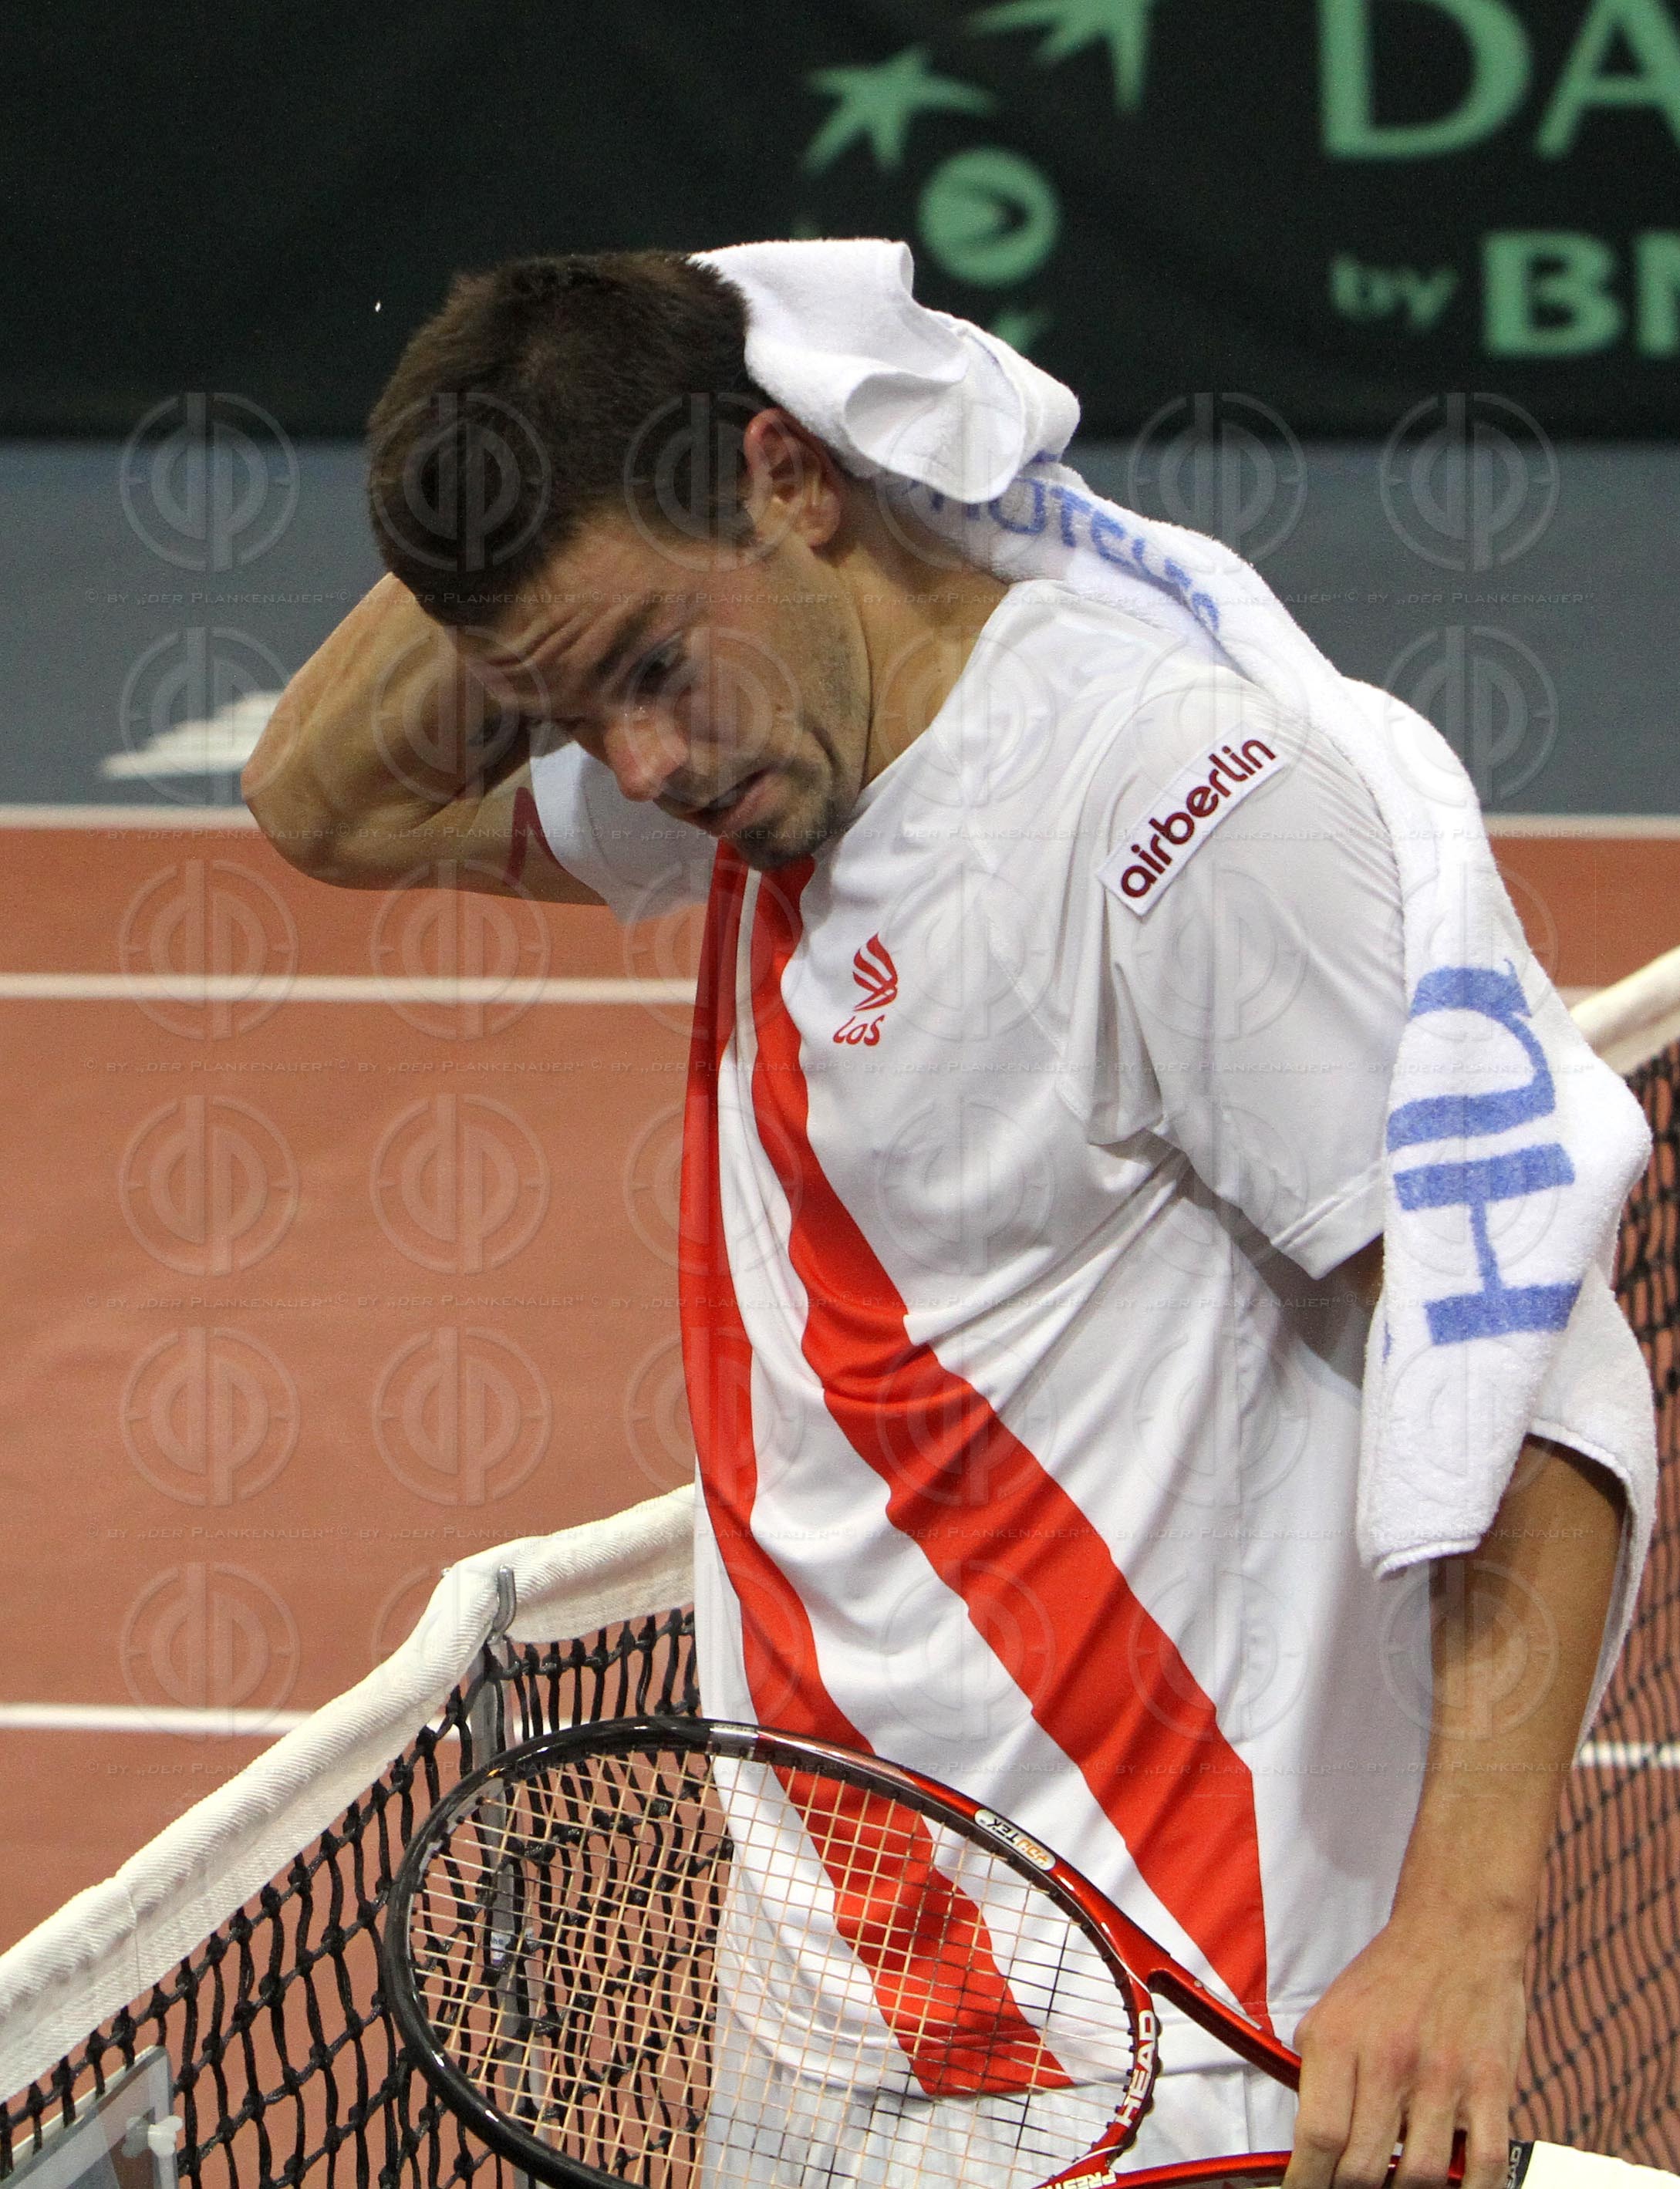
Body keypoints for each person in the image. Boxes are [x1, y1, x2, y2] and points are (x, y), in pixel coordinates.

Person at [244, 249, 1631, 2189]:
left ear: (798, 479)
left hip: (1163, 2053)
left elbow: (1537, 1341)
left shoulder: (1167, 808)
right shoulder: (753, 756)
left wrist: (1468, 1929)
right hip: (819, 2041)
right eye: (571, 712)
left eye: (648, 666)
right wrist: (593, 377)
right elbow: (320, 805)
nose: (638, 766)